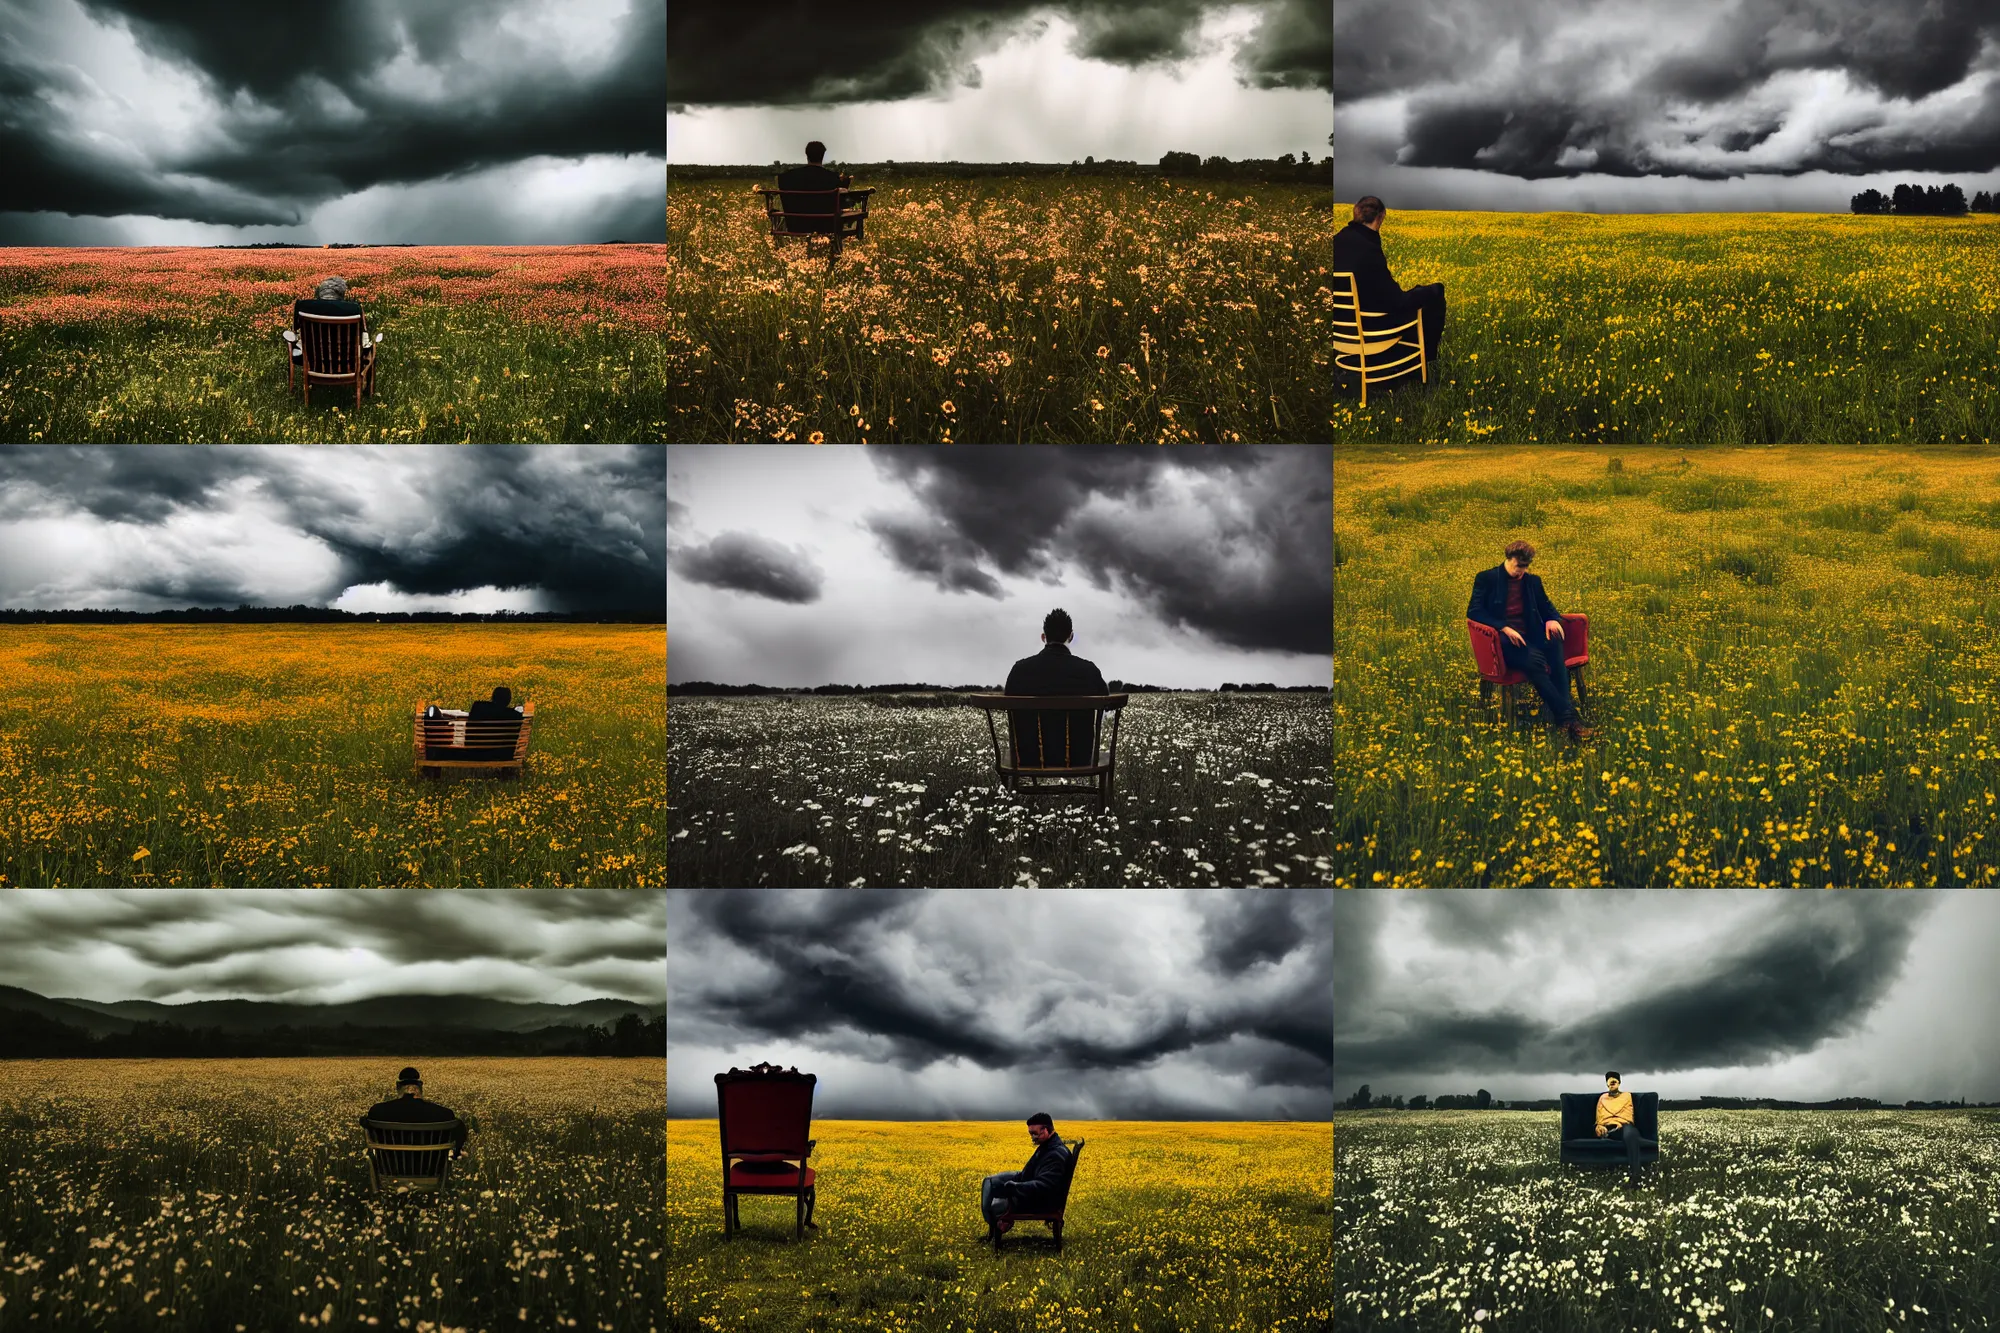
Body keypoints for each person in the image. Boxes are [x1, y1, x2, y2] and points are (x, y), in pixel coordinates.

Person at [1467, 540, 1592, 742]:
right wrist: (1503, 627)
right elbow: (1474, 611)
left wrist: (1552, 619)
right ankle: (1569, 721)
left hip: (1531, 637)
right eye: (1518, 566)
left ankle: (1566, 720)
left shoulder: (1532, 581)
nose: (1521, 571)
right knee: (1536, 663)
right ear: (1507, 559)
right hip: (1504, 642)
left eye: (1525, 567)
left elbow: (1546, 605)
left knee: (1554, 645)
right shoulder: (1487, 578)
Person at [1333, 196, 1447, 382]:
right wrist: (1428, 291)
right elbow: (1396, 302)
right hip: (1367, 329)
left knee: (1419, 294)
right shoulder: (1368, 248)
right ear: (1381, 218)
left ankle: (1394, 360)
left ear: (1355, 213)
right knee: (1433, 295)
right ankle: (1414, 367)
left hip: (1339, 330)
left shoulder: (1337, 239)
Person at [1004, 608, 1109, 767]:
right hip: (1079, 760)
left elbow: (1008, 701)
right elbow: (1106, 702)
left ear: (1043, 637)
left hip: (1029, 760)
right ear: (1071, 636)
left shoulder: (1019, 671)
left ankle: (1014, 787)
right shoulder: (1089, 671)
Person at [359, 1067, 470, 1176]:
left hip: (390, 1170)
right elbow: (460, 1133)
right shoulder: (444, 1114)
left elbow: (368, 1129)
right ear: (420, 1086)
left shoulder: (378, 1111)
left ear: (398, 1086)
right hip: (431, 1172)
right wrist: (455, 1155)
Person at [980, 1113, 1070, 1237]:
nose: (1032, 1137)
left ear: (1045, 1130)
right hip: (1031, 1191)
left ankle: (996, 1226)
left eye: (1034, 1133)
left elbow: (1045, 1185)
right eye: (1030, 1134)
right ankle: (996, 1225)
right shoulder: (1048, 1146)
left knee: (990, 1185)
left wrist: (1015, 1187)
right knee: (989, 1181)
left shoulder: (1055, 1154)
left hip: (1039, 1201)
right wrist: (1016, 1180)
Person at [286, 276, 379, 376]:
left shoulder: (303, 306)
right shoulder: (354, 309)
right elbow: (363, 334)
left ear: (320, 292)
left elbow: (295, 330)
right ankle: (363, 385)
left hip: (313, 360)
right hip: (347, 362)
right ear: (341, 294)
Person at [1596, 1071, 1648, 1188]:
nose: (1612, 1083)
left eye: (1614, 1081)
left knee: (1630, 1135)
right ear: (1607, 1084)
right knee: (1607, 1132)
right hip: (1610, 1128)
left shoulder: (1626, 1096)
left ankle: (1635, 1178)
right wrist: (1601, 1126)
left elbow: (1628, 1115)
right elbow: (1599, 1118)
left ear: (1619, 1083)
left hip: (1625, 1126)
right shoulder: (1602, 1098)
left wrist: (1619, 1122)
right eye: (1609, 1081)